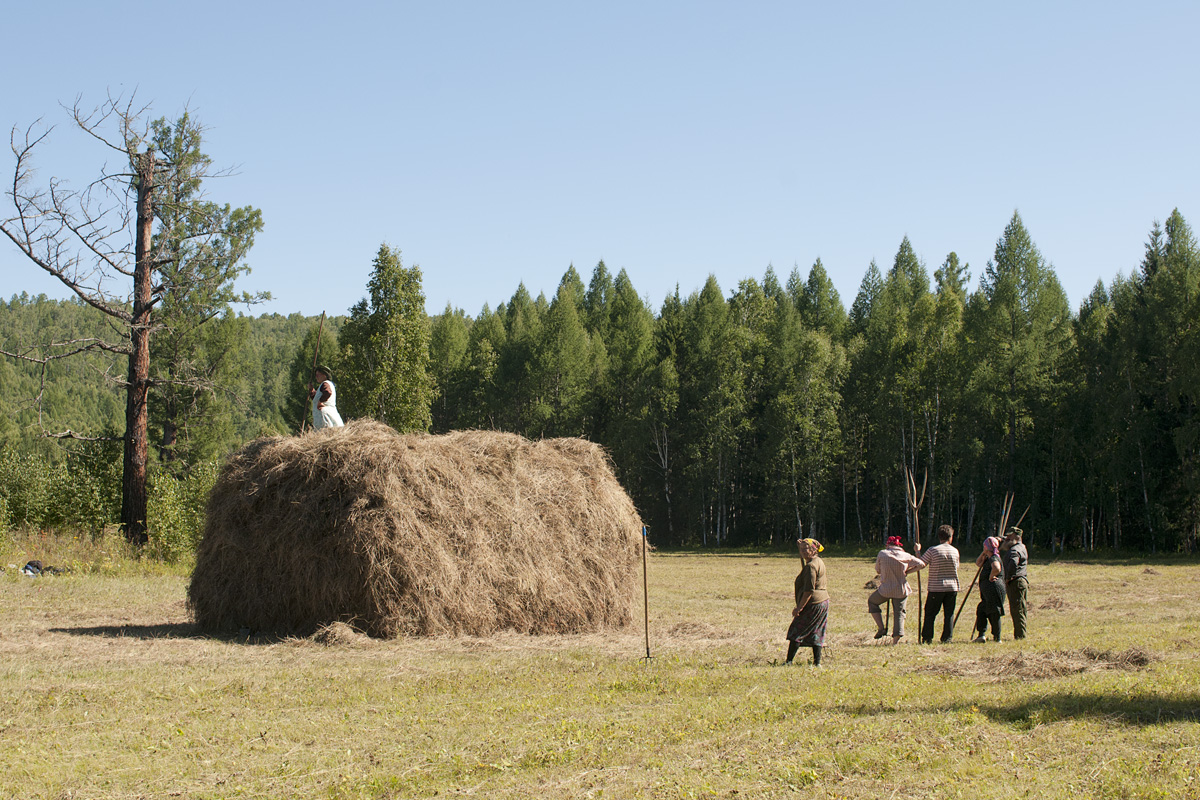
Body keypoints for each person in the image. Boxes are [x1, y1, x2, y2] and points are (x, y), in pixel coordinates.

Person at [867, 536, 925, 644]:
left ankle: (881, 628)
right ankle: (895, 641)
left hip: (885, 589)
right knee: (899, 613)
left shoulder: (882, 554)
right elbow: (921, 564)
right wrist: (908, 571)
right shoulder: (906, 555)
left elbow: (878, 570)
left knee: (872, 602)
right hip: (901, 589)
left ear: (888, 545)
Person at [785, 538, 829, 666]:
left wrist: (799, 608)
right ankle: (817, 663)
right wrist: (800, 546)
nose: (804, 552)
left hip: (813, 603)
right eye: (802, 549)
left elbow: (809, 590)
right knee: (816, 632)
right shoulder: (818, 561)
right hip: (823, 602)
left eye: (806, 549)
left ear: (814, 550)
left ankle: (788, 662)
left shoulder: (811, 567)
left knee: (797, 631)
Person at [919, 524, 961, 644]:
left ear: (939, 536)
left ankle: (927, 638)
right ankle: (947, 638)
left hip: (936, 587)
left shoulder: (933, 550)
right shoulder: (955, 551)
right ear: (950, 537)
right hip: (952, 587)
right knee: (949, 614)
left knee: (930, 613)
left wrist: (917, 551)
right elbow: (957, 566)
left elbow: (921, 563)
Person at [972, 536, 1005, 642]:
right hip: (988, 589)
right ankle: (981, 634)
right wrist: (983, 553)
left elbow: (996, 568)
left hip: (993, 588)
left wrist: (991, 576)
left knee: (993, 612)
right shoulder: (988, 557)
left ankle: (997, 637)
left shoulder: (994, 557)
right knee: (982, 609)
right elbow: (978, 563)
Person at [1001, 527, 1029, 640]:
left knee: (1017, 610)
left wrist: (1008, 577)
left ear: (1017, 537)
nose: (1007, 538)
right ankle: (1020, 634)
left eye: (1009, 536)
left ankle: (1020, 636)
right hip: (1020, 581)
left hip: (1015, 582)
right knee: (1020, 608)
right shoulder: (1021, 547)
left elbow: (1013, 562)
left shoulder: (1014, 550)